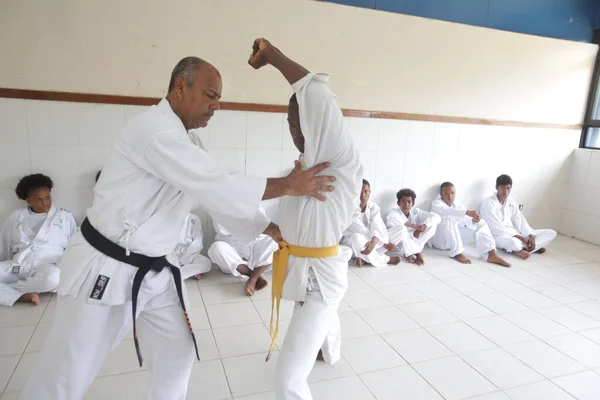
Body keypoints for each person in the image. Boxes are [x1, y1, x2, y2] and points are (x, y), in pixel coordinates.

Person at [21, 54, 336, 399]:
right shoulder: (153, 131)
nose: (216, 105)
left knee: (177, 351)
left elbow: (213, 194)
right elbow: (214, 183)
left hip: (156, 270)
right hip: (107, 266)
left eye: (219, 98)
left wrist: (266, 227)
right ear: (181, 87)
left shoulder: (189, 141)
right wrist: (287, 185)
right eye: (210, 95)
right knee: (67, 370)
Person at [247, 38, 362, 399]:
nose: (296, 130)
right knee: (321, 323)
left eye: (302, 122)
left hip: (320, 284)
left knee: (288, 381)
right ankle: (331, 350)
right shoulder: (296, 173)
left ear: (319, 124)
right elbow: (262, 209)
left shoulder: (341, 160)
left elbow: (318, 96)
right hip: (299, 272)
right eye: (290, 123)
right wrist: (271, 223)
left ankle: (321, 349)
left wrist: (274, 57)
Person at [0, 174, 76, 307]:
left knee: (54, 279)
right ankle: (23, 295)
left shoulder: (64, 216)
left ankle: (11, 292)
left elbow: (73, 245)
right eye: (39, 199)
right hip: (19, 265)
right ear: (28, 200)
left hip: (47, 266)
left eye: (47, 197)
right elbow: (4, 244)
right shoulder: (16, 217)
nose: (45, 203)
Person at [430, 182, 511, 267]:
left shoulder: (458, 205)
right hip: (440, 241)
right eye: (446, 194)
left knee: (481, 222)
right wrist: (467, 212)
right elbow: (447, 211)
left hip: (456, 238)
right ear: (441, 194)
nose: (450, 196)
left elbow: (465, 220)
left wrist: (473, 220)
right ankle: (457, 253)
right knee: (448, 219)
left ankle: (490, 253)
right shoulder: (436, 204)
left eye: (452, 193)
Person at [480, 174, 557, 260]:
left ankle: (525, 248)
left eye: (508, 188)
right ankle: (523, 249)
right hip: (498, 236)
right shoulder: (488, 203)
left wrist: (530, 236)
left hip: (515, 233)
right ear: (496, 188)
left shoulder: (511, 201)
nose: (505, 191)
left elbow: (519, 220)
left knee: (551, 233)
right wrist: (521, 237)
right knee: (513, 243)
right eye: (502, 188)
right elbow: (496, 228)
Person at [208, 206, 278, 295]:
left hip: (253, 243)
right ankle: (252, 275)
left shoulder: (254, 203)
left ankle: (253, 278)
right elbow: (223, 230)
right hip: (231, 245)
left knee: (274, 240)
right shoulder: (218, 207)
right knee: (216, 248)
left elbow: (262, 226)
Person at [341, 179, 400, 267]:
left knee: (401, 230)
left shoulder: (374, 207)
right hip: (354, 244)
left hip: (371, 243)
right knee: (356, 237)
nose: (362, 195)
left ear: (370, 192)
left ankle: (366, 258)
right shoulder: (349, 209)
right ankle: (386, 259)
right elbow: (361, 230)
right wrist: (384, 244)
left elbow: (377, 226)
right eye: (360, 192)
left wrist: (374, 241)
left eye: (366, 192)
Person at [386, 188, 440, 266]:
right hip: (399, 244)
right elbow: (397, 224)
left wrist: (423, 226)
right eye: (403, 201)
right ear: (398, 203)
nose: (406, 204)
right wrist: (416, 226)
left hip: (412, 240)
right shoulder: (393, 213)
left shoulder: (415, 212)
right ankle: (416, 252)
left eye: (409, 202)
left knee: (432, 225)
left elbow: (436, 217)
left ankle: (411, 251)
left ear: (413, 203)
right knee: (403, 229)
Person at [175, 213, 213, 280]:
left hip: (190, 254)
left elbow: (197, 242)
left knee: (206, 263)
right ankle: (189, 272)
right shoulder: (166, 218)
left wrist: (185, 260)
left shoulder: (194, 218)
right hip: (172, 254)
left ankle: (175, 275)